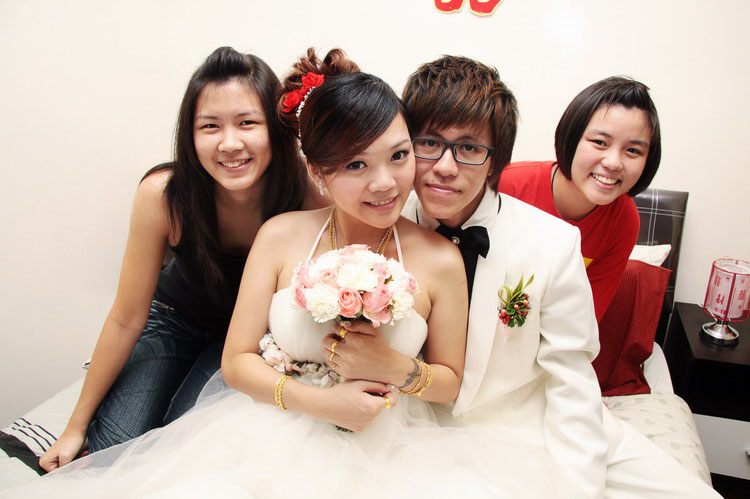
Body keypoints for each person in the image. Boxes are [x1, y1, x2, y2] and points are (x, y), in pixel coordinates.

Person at [6, 49, 581, 498]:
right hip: (269, 419)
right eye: (355, 164)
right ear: (320, 173)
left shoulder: (438, 257)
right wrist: (318, 403)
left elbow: (452, 381)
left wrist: (395, 368)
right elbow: (234, 359)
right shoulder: (281, 232)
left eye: (400, 155)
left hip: (393, 440)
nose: (384, 182)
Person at [396, 55, 719, 498]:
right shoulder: (379, 225)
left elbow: (571, 372)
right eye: (428, 143)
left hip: (524, 416)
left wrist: (577, 485)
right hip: (413, 416)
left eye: (470, 149)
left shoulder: (553, 243)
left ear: (495, 162)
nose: (446, 167)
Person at [39, 46, 313, 471]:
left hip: (248, 341)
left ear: (274, 129)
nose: (230, 143)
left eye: (247, 123)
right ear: (190, 134)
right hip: (172, 321)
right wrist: (75, 426)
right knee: (113, 450)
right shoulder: (164, 196)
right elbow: (126, 318)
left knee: (180, 446)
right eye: (210, 126)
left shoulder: (307, 194)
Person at [498, 76, 660, 322]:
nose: (613, 163)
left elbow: (585, 317)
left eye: (633, 151)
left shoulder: (624, 220)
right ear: (571, 138)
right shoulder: (505, 185)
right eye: (600, 142)